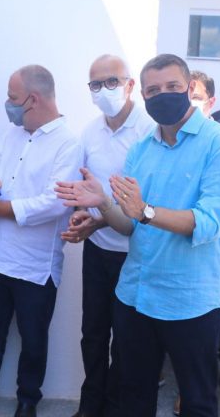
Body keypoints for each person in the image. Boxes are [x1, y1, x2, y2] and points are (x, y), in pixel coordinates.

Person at [55, 54, 220, 417]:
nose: (163, 95)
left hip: (191, 300)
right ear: (142, 95)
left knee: (197, 402)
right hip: (136, 296)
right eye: (154, 90)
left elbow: (210, 222)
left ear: (190, 88)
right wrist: (103, 203)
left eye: (172, 86)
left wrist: (145, 211)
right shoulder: (141, 150)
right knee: (132, 398)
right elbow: (130, 225)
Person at [0, 65, 82, 417]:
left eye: (13, 98)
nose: (8, 104)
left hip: (36, 264)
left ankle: (28, 400)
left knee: (34, 339)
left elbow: (55, 203)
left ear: (33, 99)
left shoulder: (69, 144)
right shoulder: (12, 133)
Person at [64, 55, 154, 417]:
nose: (104, 90)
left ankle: (115, 408)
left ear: (130, 85)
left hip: (135, 253)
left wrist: (98, 218)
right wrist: (80, 214)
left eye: (112, 82)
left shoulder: (149, 131)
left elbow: (143, 203)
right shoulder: (90, 131)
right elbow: (84, 186)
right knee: (93, 332)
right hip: (98, 250)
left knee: (127, 339)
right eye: (96, 84)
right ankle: (91, 405)